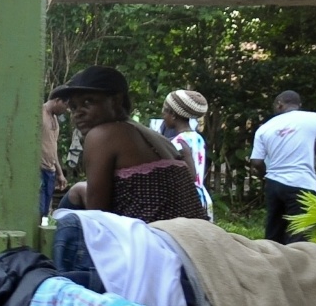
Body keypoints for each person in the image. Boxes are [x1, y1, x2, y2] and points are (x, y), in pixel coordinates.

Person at [51, 65, 206, 223]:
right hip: (193, 236)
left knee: (72, 208)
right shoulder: (156, 138)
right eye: (74, 107)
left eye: (88, 102)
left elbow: (97, 218)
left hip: (157, 240)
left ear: (116, 100)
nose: (78, 113)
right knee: (79, 189)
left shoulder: (103, 135)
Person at [250, 90, 316, 243]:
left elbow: (256, 161)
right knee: (300, 233)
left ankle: (272, 263)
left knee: (274, 231)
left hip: (274, 184)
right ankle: (297, 264)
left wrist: (265, 175)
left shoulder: (265, 128)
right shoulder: (314, 118)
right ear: (299, 105)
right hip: (301, 182)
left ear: (279, 104)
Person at [161, 89, 212, 222]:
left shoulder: (177, 143)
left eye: (165, 111)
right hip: (202, 197)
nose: (163, 115)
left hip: (187, 201)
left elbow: (191, 175)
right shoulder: (197, 138)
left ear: (173, 114)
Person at [40, 96, 69, 218]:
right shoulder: (39, 113)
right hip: (39, 169)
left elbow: (53, 147)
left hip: (50, 170)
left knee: (45, 212)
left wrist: (60, 173)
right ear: (57, 100)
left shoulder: (55, 119)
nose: (67, 109)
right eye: (66, 105)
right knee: (38, 209)